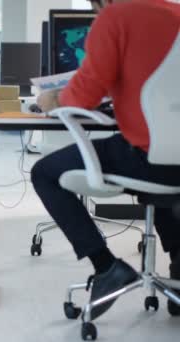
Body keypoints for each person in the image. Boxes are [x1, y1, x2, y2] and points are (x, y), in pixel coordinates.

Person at [32, 0, 180, 319]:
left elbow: (84, 97)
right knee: (167, 173)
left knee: (44, 173)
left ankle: (107, 267)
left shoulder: (116, 16)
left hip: (145, 157)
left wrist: (52, 98)